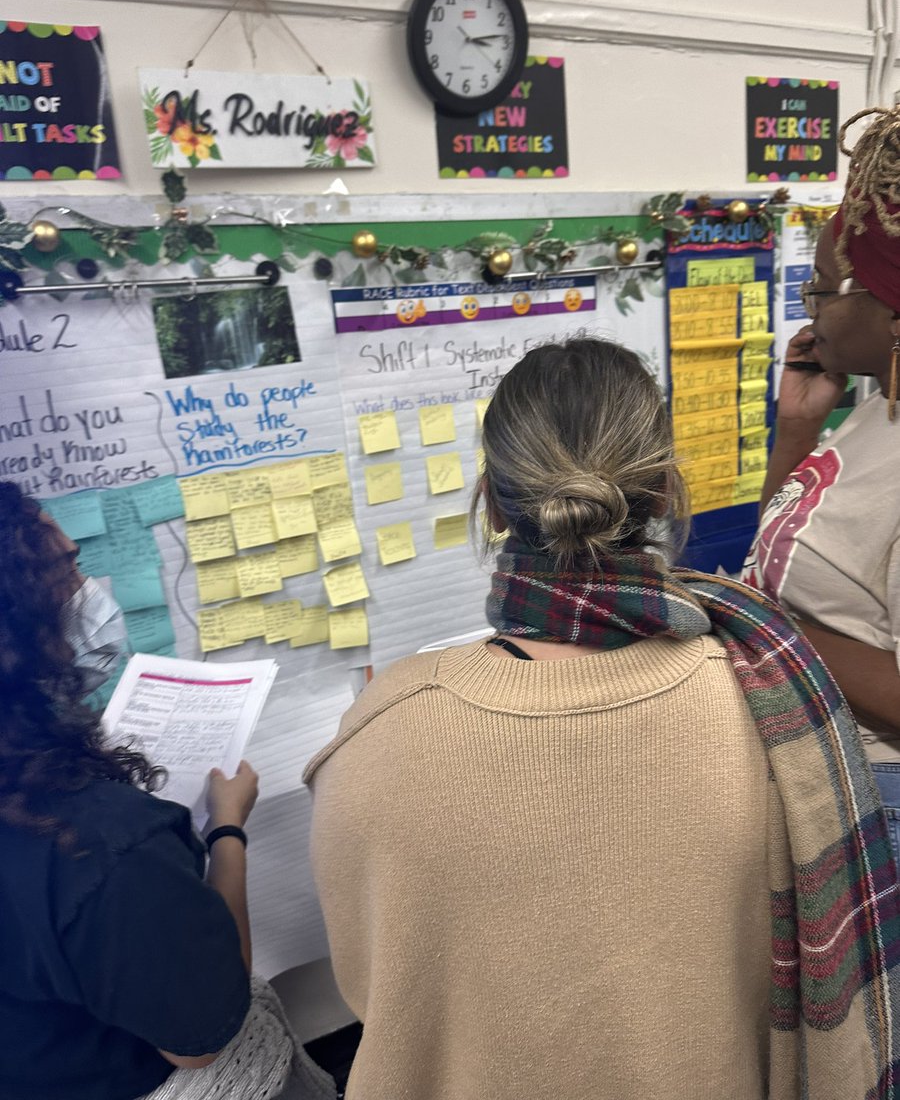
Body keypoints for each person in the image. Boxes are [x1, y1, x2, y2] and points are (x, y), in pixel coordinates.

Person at [306, 337, 900, 1100]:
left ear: (490, 503)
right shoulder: (779, 715)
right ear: (665, 493)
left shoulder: (375, 736)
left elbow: (373, 990)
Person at [0, 482, 334, 1100]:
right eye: (67, 567)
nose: (88, 588)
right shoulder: (101, 845)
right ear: (20, 614)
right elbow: (200, 1039)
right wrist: (227, 829)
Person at [742, 104, 900, 857]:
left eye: (823, 288)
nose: (811, 312)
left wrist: (766, 632)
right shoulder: (878, 412)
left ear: (887, 300)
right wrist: (800, 430)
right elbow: (779, 563)